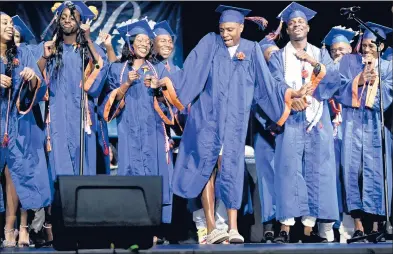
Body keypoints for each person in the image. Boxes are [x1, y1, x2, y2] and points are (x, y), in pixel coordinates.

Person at [153, 5, 308, 244]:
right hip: (206, 118)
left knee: (232, 169)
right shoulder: (210, 43)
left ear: (241, 27)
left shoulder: (251, 49)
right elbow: (189, 72)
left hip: (235, 121)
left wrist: (287, 93)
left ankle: (233, 228)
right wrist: (168, 81)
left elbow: (266, 84)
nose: (225, 34)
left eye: (230, 30)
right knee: (207, 168)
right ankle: (212, 226)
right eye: (222, 29)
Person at [267, 2, 341, 243]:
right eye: (291, 23)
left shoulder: (320, 53)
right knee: (288, 171)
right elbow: (275, 83)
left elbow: (333, 80)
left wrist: (311, 60)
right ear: (287, 30)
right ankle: (286, 228)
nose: (296, 25)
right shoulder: (279, 56)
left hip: (317, 117)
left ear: (308, 28)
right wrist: (292, 96)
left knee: (316, 171)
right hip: (291, 117)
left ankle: (309, 230)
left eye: (300, 22)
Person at [35, 1, 109, 240]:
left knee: (83, 171)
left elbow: (100, 72)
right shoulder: (49, 49)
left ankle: (83, 226)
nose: (67, 20)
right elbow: (37, 83)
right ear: (58, 21)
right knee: (58, 172)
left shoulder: (89, 50)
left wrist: (88, 40)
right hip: (56, 120)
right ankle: (57, 225)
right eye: (63, 16)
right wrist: (44, 58)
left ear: (81, 22)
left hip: (82, 121)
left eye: (72, 16)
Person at [100, 19, 174, 228]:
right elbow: (108, 106)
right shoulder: (118, 70)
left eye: (147, 41)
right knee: (131, 173)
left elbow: (171, 106)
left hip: (153, 133)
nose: (144, 44)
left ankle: (153, 227)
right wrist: (126, 84)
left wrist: (159, 89)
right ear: (130, 44)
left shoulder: (159, 69)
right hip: (128, 133)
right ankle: (132, 224)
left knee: (153, 174)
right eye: (139, 40)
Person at [334, 21, 393, 241]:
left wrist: (376, 80)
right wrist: (359, 80)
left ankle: (377, 224)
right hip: (352, 124)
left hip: (376, 126)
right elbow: (338, 88)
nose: (366, 49)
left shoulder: (388, 67)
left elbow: (389, 93)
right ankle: (358, 224)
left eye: (371, 46)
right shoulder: (349, 63)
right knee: (351, 172)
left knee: (376, 173)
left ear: (382, 48)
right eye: (364, 45)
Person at [0, 11, 49, 247]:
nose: (10, 26)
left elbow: (37, 87)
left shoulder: (22, 54)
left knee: (15, 174)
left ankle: (11, 227)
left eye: (11, 23)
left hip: (15, 124)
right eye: (5, 23)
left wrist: (31, 78)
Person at [320, 26, 357, 242]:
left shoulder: (356, 71)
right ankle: (326, 228)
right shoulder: (326, 73)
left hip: (351, 131)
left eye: (342, 50)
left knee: (349, 178)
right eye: (334, 51)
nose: (338, 54)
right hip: (328, 132)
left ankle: (350, 228)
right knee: (328, 179)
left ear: (350, 50)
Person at [253, 36, 280, 243]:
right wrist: (268, 125)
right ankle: (269, 225)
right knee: (266, 180)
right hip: (264, 135)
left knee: (288, 179)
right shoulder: (256, 78)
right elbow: (254, 105)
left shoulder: (286, 75)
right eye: (268, 54)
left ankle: (287, 227)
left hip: (287, 132)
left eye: (276, 53)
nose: (273, 57)